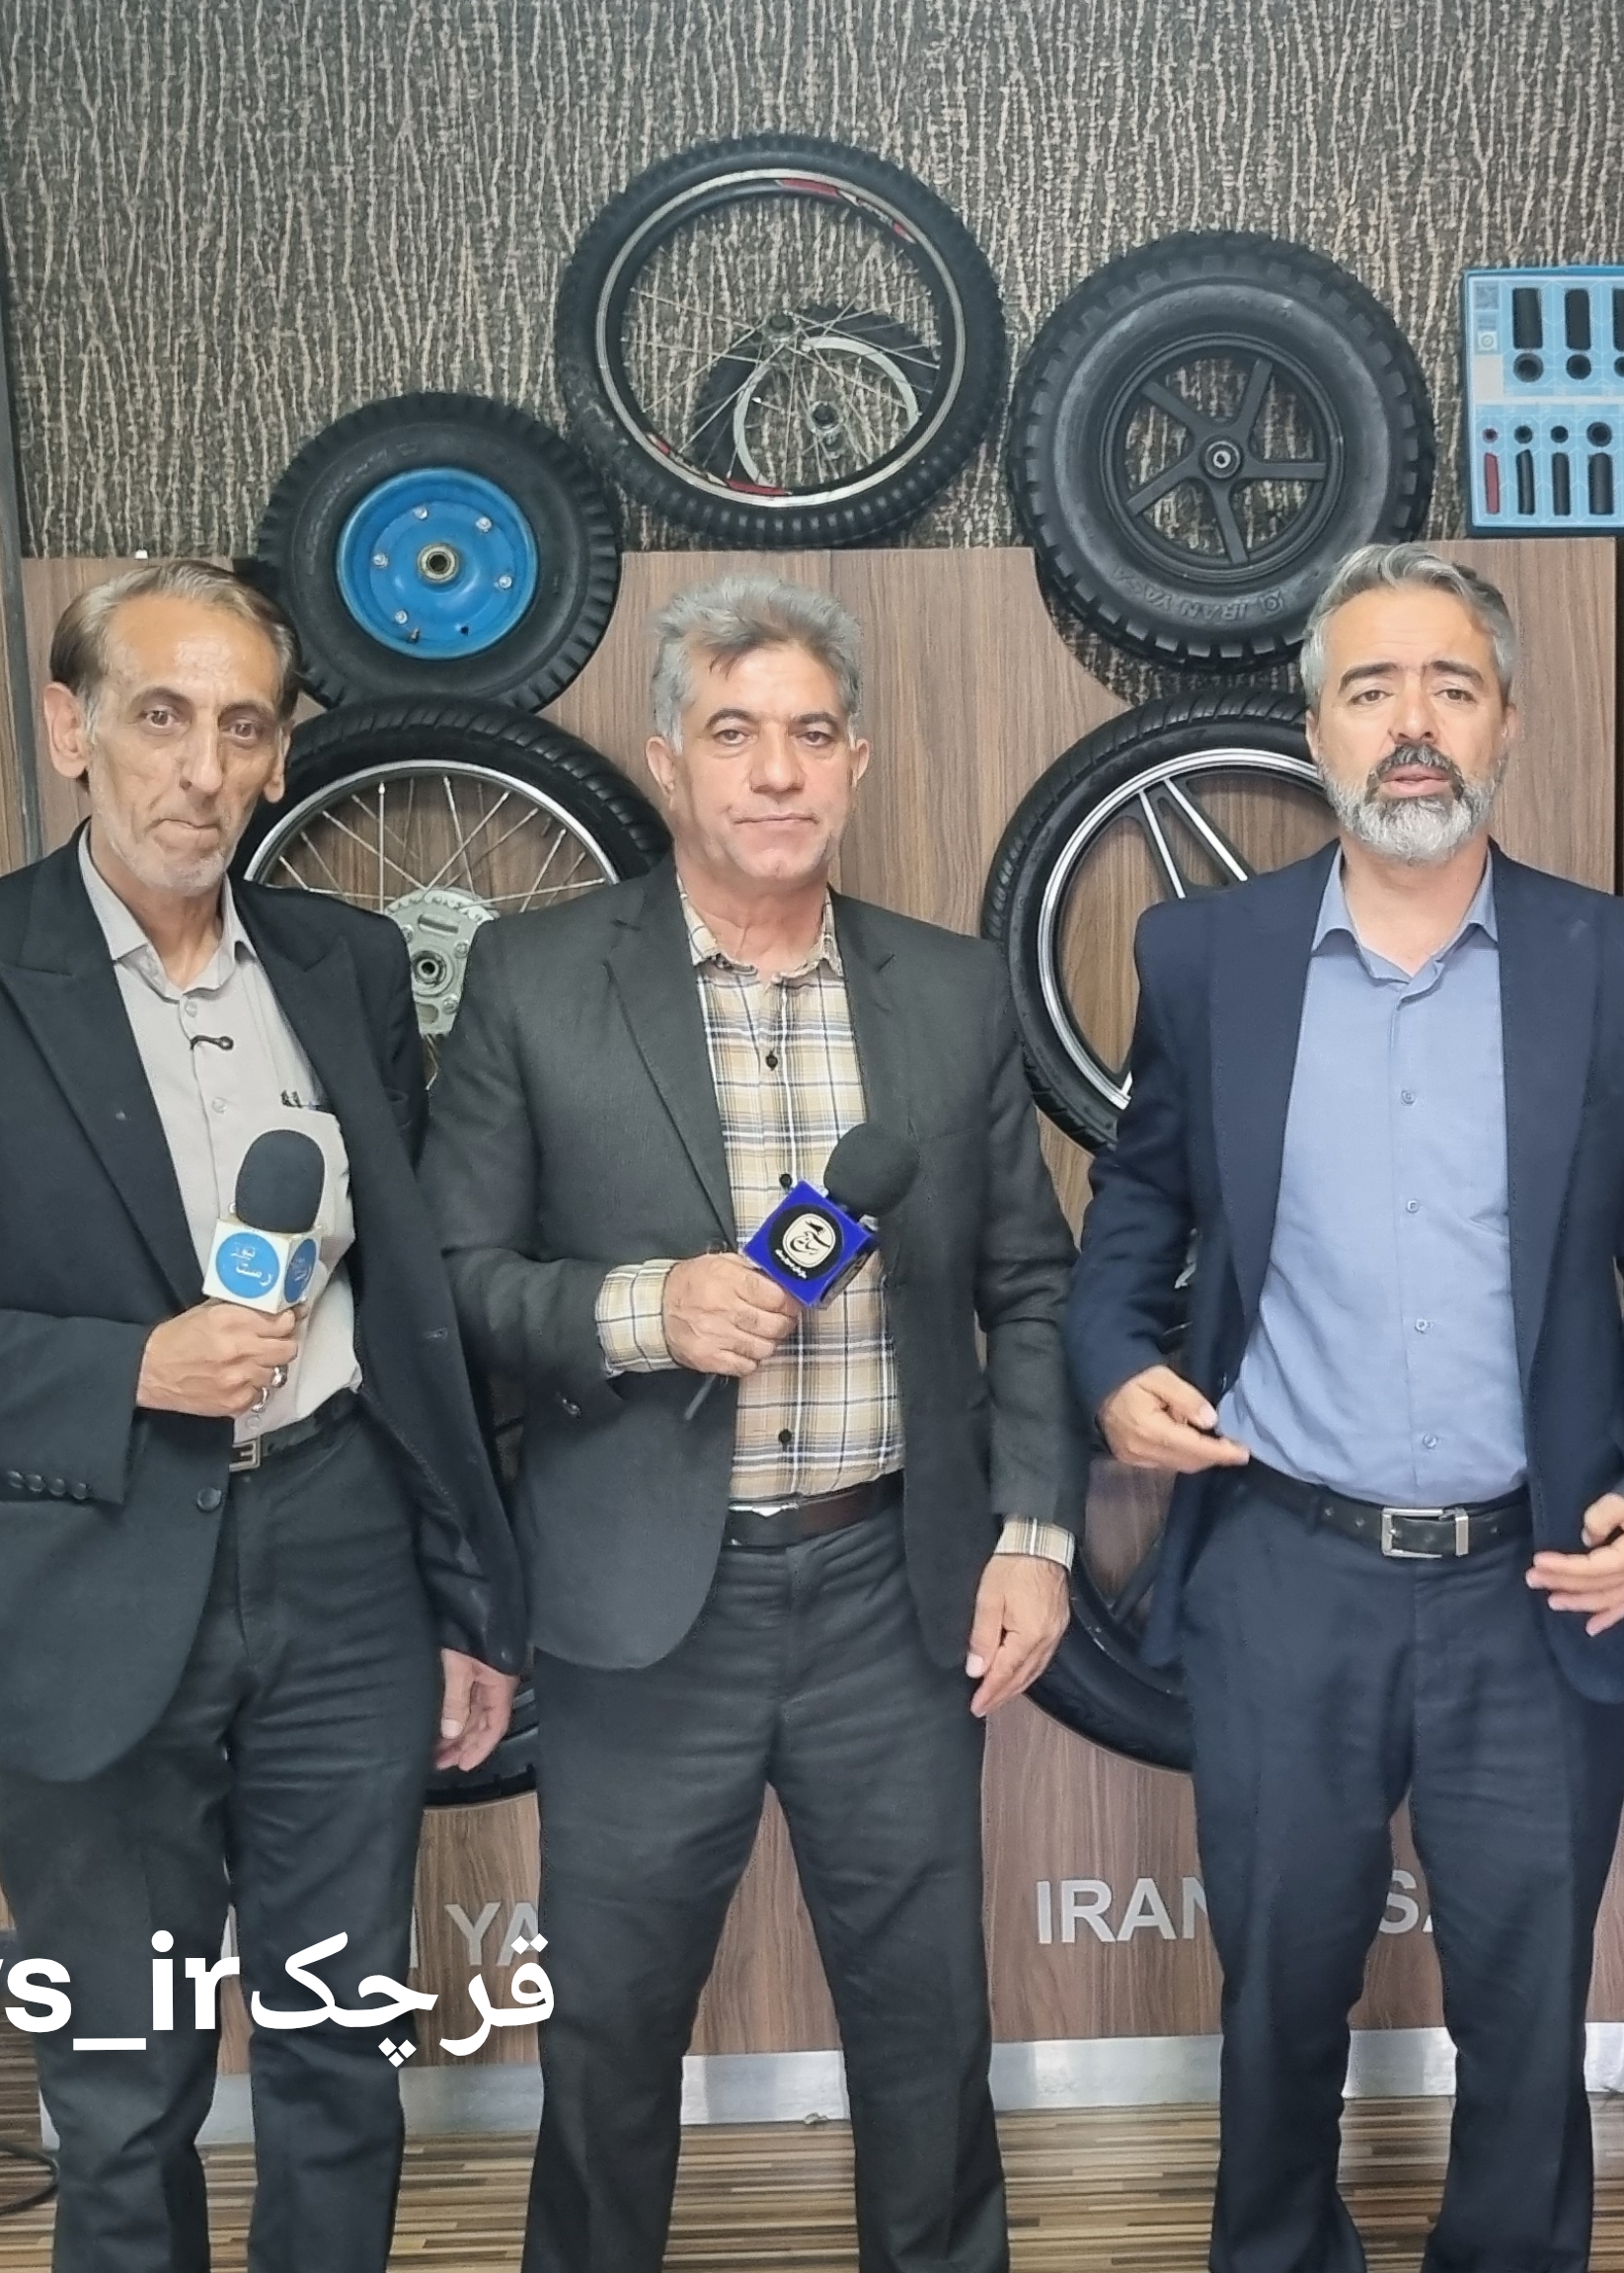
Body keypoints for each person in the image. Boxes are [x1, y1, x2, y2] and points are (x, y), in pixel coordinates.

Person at [0, 559, 523, 2273]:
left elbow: (410, 1311)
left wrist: (465, 1596)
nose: (203, 768)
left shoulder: (342, 965)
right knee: (122, 2090)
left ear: (280, 755)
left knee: (342, 2057)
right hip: (88, 1574)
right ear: (72, 728)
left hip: (343, 1558)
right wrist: (130, 1367)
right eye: (162, 717)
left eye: (243, 727)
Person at [1066, 541, 1624, 2273]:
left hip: (1539, 1576)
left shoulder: (1615, 960)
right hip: (1286, 1573)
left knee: (1528, 2005)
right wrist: (1113, 1362)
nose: (1412, 721)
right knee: (1280, 1992)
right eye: (1371, 688)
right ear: (1317, 730)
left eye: (1451, 684)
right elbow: (1136, 1210)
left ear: (1507, 719)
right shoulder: (1208, 955)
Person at [424, 573, 1081, 2273]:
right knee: (610, 2036)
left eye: (810, 732)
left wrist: (1034, 1530)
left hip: (893, 1597)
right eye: (734, 732)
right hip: (650, 1605)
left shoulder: (952, 990)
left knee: (927, 2032)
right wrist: (642, 1310)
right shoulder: (534, 978)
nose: (776, 770)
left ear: (858, 759)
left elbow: (1034, 1282)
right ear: (667, 759)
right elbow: (455, 1282)